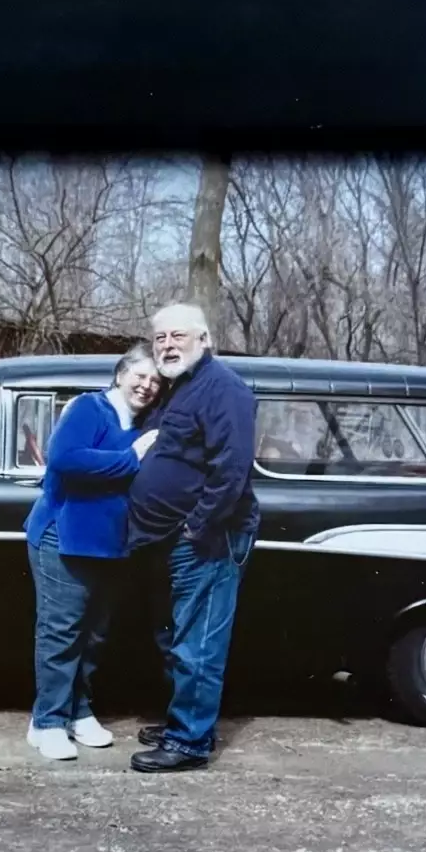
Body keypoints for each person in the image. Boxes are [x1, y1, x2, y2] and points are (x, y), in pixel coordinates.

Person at [125, 303, 260, 773]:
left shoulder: (224, 390)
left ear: (204, 339)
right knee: (175, 637)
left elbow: (232, 470)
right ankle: (184, 722)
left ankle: (190, 743)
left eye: (177, 336)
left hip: (208, 538)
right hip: (166, 538)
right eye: (159, 338)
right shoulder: (176, 389)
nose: (167, 345)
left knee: (198, 643)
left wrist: (196, 526)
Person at [22, 345, 162, 761]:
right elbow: (65, 460)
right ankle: (46, 721)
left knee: (95, 634)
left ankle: (78, 712)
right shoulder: (90, 408)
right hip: (63, 537)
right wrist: (131, 459)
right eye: (140, 375)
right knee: (61, 632)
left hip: (109, 544)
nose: (147, 385)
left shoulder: (144, 422)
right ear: (121, 374)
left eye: (155, 381)